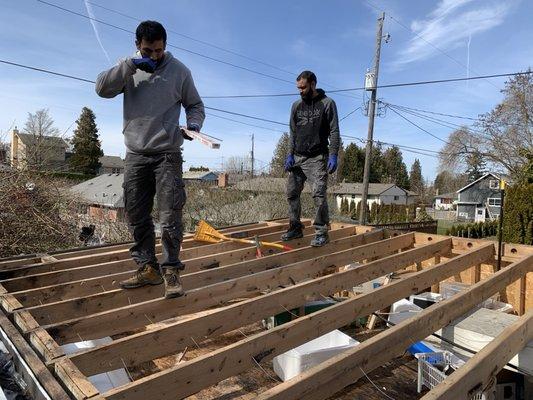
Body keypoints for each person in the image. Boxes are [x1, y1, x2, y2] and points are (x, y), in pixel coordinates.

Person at [95, 20, 205, 299]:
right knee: (136, 213)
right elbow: (101, 89)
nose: (154, 56)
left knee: (170, 216)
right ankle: (148, 268)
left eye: (158, 50)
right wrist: (131, 65)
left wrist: (193, 124)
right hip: (135, 154)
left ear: (165, 46)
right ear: (137, 46)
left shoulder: (180, 71)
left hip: (167, 153)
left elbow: (195, 104)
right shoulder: (128, 67)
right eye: (147, 51)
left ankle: (170, 271)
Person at [282, 70, 340, 247]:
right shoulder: (296, 106)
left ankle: (322, 232)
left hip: (317, 158)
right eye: (298, 88)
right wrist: (290, 154)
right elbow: (293, 132)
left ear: (313, 84)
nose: (300, 91)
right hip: (298, 157)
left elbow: (334, 131)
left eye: (303, 87)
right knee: (291, 193)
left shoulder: (327, 104)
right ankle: (295, 227)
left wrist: (333, 155)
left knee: (319, 195)